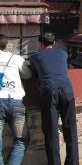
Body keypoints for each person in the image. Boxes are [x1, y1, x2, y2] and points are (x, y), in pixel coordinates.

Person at [28, 33, 79, 165]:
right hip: (67, 90)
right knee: (71, 129)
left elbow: (33, 74)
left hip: (49, 91)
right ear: (54, 43)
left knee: (51, 132)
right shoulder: (63, 54)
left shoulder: (35, 57)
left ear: (40, 44)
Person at [0, 34, 31, 165]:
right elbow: (28, 75)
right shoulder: (15, 58)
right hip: (16, 103)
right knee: (21, 140)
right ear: (5, 44)